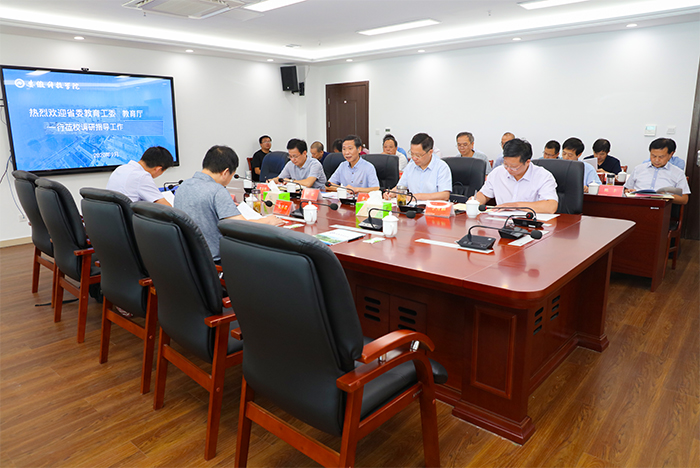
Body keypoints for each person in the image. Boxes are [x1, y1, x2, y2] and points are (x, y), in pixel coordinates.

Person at [174, 145, 282, 261]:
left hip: (188, 256)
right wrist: (267, 221)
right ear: (225, 172)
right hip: (215, 259)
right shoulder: (217, 190)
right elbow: (240, 226)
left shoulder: (183, 185)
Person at [473, 138, 558, 213]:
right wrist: (476, 201)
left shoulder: (543, 176)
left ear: (527, 162)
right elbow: (484, 195)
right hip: (501, 221)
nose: (508, 169)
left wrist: (515, 205)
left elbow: (551, 206)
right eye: (506, 164)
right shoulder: (497, 172)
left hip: (530, 223)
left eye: (513, 167)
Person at [384, 133, 452, 201]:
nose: (414, 158)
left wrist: (418, 196)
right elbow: (401, 187)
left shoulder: (441, 167)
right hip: (413, 206)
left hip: (433, 206)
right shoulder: (410, 166)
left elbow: (445, 195)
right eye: (412, 154)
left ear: (430, 152)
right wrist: (391, 193)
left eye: (418, 155)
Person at [624, 138, 690, 204]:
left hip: (662, 206)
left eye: (661, 157)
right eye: (653, 156)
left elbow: (684, 199)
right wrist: (628, 191)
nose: (656, 160)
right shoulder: (638, 169)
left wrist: (665, 196)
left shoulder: (678, 173)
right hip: (638, 205)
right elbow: (626, 190)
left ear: (671, 154)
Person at [106, 146, 174, 206]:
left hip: (114, 214)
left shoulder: (121, 168)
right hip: (130, 215)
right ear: (158, 169)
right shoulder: (142, 176)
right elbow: (167, 208)